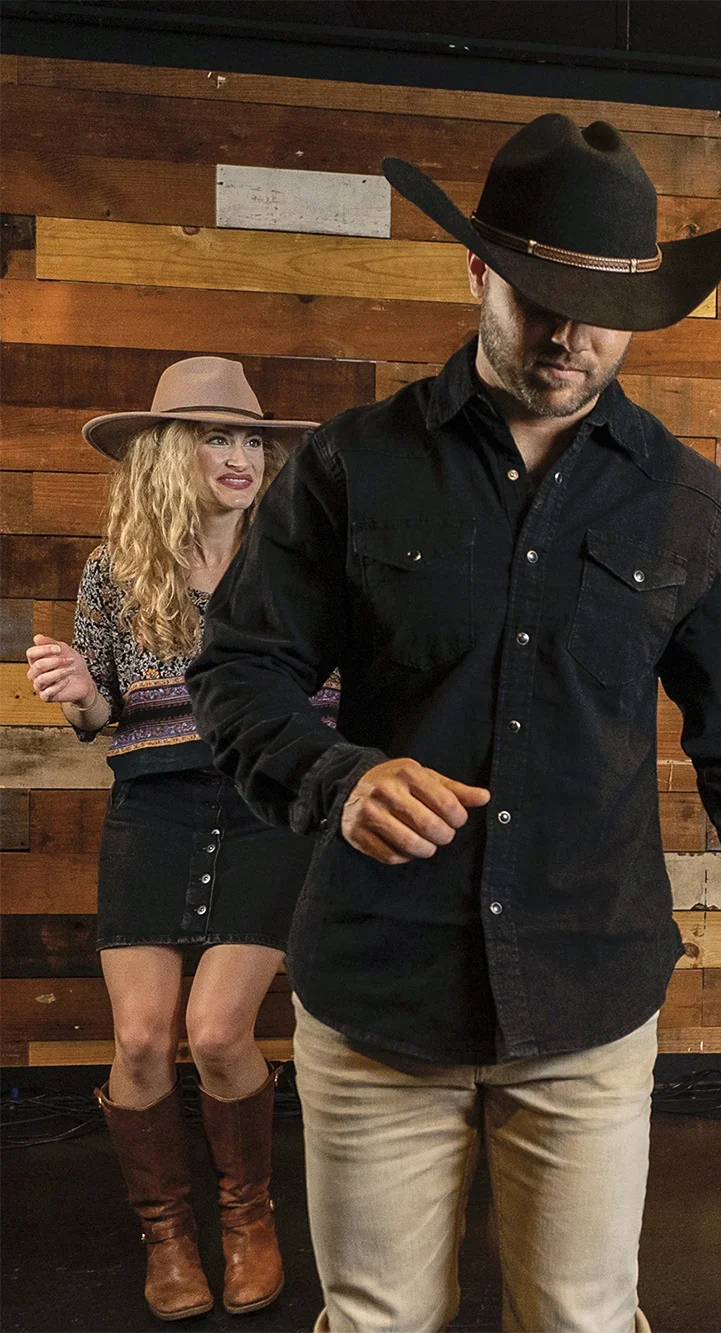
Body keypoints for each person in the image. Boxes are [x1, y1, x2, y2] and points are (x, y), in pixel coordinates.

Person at [187, 114, 721, 1333]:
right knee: (375, 1320)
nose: (570, 336)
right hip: (381, 990)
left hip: (588, 993)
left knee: (581, 1319)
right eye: (539, 295)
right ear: (476, 272)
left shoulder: (679, 494)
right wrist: (339, 778)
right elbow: (238, 673)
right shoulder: (350, 465)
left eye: (604, 310)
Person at [25, 357, 324, 1323]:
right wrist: (80, 696)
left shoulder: (301, 561)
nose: (239, 456)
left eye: (250, 440)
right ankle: (168, 1237)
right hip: (152, 805)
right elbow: (101, 718)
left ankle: (249, 1220)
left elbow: (337, 696)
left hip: (263, 806)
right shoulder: (115, 573)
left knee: (217, 1030)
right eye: (215, 437)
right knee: (144, 1041)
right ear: (166, 452)